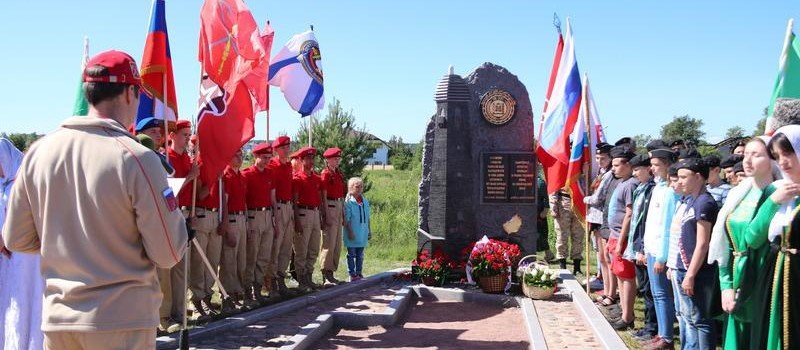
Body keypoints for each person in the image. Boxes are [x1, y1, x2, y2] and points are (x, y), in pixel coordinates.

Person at [2, 50, 188, 349]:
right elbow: (168, 252)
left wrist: (67, 245)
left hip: (59, 319)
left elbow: (16, 239)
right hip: (121, 319)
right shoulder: (137, 157)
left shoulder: (39, 152)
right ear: (130, 93)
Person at [707, 137, 775, 350]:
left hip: (765, 278)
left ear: (774, 158)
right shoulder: (738, 193)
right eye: (746, 154)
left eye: (756, 155)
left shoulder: (780, 194)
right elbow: (724, 244)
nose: (748, 160)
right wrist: (726, 285)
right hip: (737, 275)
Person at [745, 125, 800, 350]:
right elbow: (752, 238)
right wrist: (773, 202)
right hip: (773, 276)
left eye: (788, 152)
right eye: (777, 156)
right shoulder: (775, 191)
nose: (783, 161)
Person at [667, 158, 720, 350]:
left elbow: (702, 243)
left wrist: (690, 274)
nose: (679, 182)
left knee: (701, 320)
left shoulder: (704, 203)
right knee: (689, 317)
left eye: (683, 177)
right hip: (684, 267)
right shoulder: (692, 201)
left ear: (698, 177)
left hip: (698, 271)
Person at [0, 138, 44, 349]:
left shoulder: (25, 182)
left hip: (27, 258)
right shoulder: (5, 184)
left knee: (28, 302)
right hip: (9, 259)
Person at [640, 148, 680, 350]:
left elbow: (667, 227)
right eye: (652, 164)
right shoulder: (658, 188)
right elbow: (651, 223)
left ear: (667, 165)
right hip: (651, 248)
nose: (652, 168)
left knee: (663, 294)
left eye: (656, 165)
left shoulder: (671, 192)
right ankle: (660, 333)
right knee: (656, 293)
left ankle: (666, 337)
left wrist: (662, 257)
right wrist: (647, 249)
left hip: (661, 252)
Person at [165, 119, 200, 329]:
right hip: (172, 213)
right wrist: (189, 177)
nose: (188, 138)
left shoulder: (187, 159)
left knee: (181, 269)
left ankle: (179, 311)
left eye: (189, 134)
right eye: (184, 134)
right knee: (169, 268)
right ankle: (165, 314)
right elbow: (168, 192)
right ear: (172, 135)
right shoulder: (166, 158)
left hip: (186, 214)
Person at [623, 154, 658, 341]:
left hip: (644, 246)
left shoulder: (652, 190)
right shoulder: (641, 188)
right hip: (636, 244)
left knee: (649, 290)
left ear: (648, 169)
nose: (635, 173)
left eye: (638, 169)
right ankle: (648, 325)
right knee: (644, 289)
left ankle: (652, 327)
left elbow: (647, 222)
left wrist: (643, 248)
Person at [605, 145, 639, 330]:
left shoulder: (631, 184)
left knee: (626, 276)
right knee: (619, 274)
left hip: (622, 238)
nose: (613, 168)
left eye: (617, 165)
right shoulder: (622, 182)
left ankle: (627, 317)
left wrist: (620, 240)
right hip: (615, 234)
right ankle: (623, 310)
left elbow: (629, 213)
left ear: (628, 165)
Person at [242, 143, 276, 305]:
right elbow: (244, 200)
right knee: (252, 255)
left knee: (263, 255)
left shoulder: (270, 173)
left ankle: (258, 288)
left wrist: (274, 218)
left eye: (269, 158)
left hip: (267, 215)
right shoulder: (247, 175)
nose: (267, 160)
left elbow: (273, 198)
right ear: (256, 157)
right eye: (264, 157)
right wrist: (247, 222)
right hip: (254, 216)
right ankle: (247, 290)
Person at [292, 147, 323, 291]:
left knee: (314, 247)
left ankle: (309, 276)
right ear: (301, 160)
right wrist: (297, 221)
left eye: (312, 158)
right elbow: (295, 202)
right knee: (301, 249)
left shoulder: (316, 178)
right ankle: (301, 280)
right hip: (303, 214)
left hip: (315, 213)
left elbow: (319, 200)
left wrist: (321, 217)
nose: (311, 161)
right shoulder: (297, 179)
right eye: (308, 159)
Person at [268, 136, 296, 297]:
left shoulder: (288, 166)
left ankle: (280, 277)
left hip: (288, 205)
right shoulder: (272, 165)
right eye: (283, 147)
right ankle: (271, 281)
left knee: (286, 246)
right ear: (276, 149)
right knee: (275, 246)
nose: (287, 149)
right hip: (277, 206)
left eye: (288, 146)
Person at [584, 142, 614, 288]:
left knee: (604, 256)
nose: (599, 161)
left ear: (610, 158)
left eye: (603, 158)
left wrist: (585, 199)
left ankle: (607, 286)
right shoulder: (601, 172)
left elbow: (597, 198)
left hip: (601, 217)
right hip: (595, 217)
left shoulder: (608, 175)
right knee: (599, 253)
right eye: (597, 158)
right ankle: (604, 282)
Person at [319, 147, 346, 285]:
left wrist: (343, 214)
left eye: (338, 158)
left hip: (338, 206)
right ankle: (326, 273)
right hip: (330, 206)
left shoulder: (338, 174)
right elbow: (323, 195)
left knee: (336, 243)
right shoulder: (325, 174)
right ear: (328, 160)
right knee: (329, 242)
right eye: (335, 158)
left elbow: (341, 194)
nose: (337, 160)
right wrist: (326, 214)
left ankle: (332, 272)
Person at [550, 186, 584, 274]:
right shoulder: (563, 172)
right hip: (563, 202)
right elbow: (555, 185)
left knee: (578, 236)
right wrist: (553, 205)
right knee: (562, 236)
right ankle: (562, 266)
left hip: (580, 202)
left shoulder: (585, 172)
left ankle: (577, 267)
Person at [343, 177, 371, 281]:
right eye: (357, 187)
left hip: (362, 232)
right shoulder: (348, 202)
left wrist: (369, 230)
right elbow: (347, 219)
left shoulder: (365, 201)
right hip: (352, 232)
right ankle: (352, 274)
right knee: (351, 254)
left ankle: (359, 272)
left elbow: (368, 217)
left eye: (361, 186)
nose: (359, 189)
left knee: (360, 255)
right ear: (350, 187)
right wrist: (350, 231)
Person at [535, 171, 554, 261]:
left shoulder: (540, 182)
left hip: (539, 214)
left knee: (541, 234)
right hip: (531, 213)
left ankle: (548, 254)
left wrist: (545, 211)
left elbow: (546, 198)